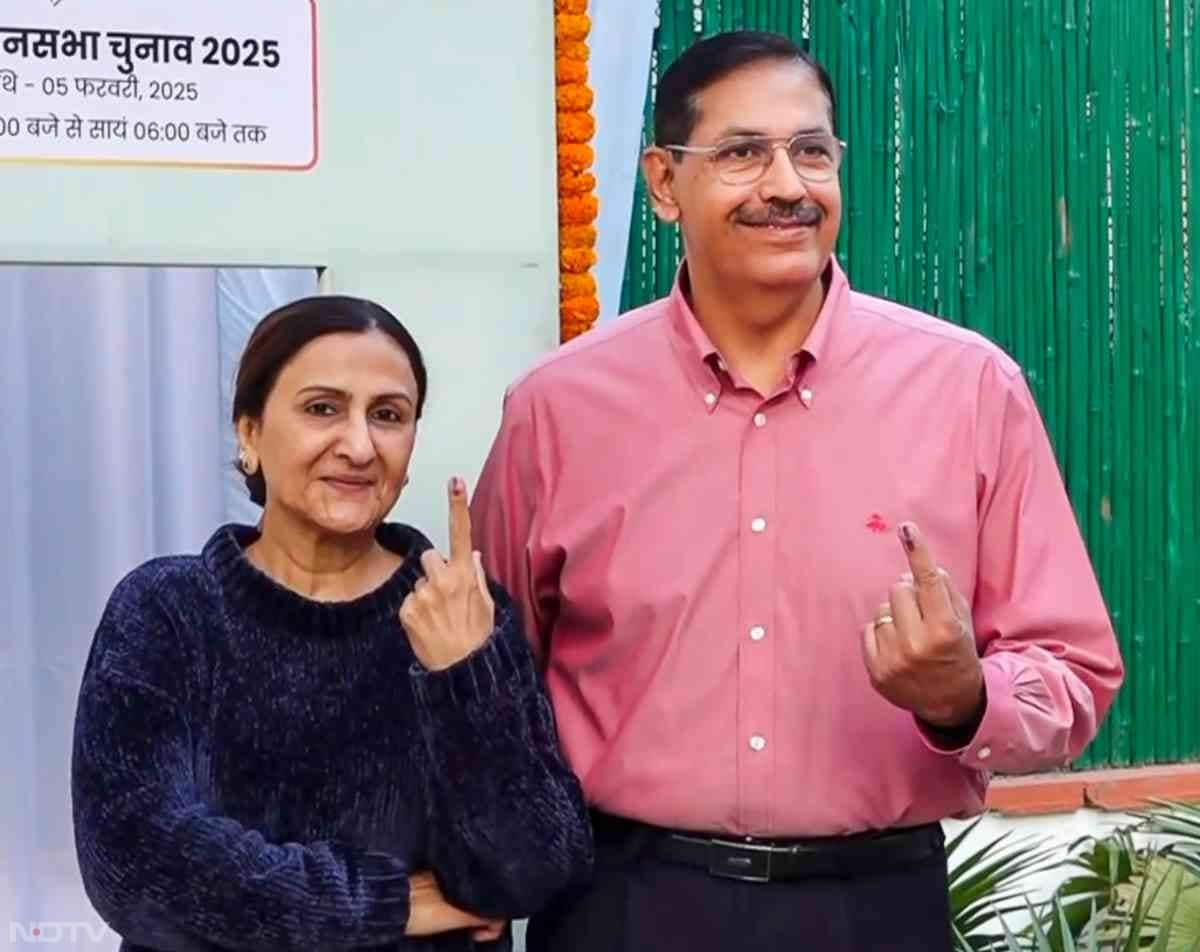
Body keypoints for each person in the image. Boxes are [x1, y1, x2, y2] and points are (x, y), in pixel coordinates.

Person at [471, 30, 1124, 952]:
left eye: (811, 152)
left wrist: (963, 696)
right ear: (663, 183)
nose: (786, 185)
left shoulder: (969, 391)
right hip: (624, 904)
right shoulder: (560, 410)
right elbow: (492, 684)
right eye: (742, 153)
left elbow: (1075, 671)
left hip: (873, 905)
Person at [71, 295, 592, 952]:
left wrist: (465, 680)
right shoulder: (169, 609)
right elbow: (135, 863)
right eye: (323, 408)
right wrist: (391, 901)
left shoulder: (460, 611)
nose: (359, 445)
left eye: (388, 415)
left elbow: (534, 871)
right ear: (250, 433)